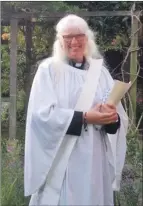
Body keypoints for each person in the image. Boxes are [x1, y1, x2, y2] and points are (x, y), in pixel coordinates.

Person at [24, 14, 128, 206]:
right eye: (67, 37)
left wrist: (111, 118)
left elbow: (117, 117)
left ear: (87, 38)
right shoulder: (49, 70)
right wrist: (87, 117)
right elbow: (41, 116)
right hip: (64, 158)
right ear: (60, 41)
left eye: (79, 35)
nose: (74, 41)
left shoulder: (101, 73)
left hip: (95, 161)